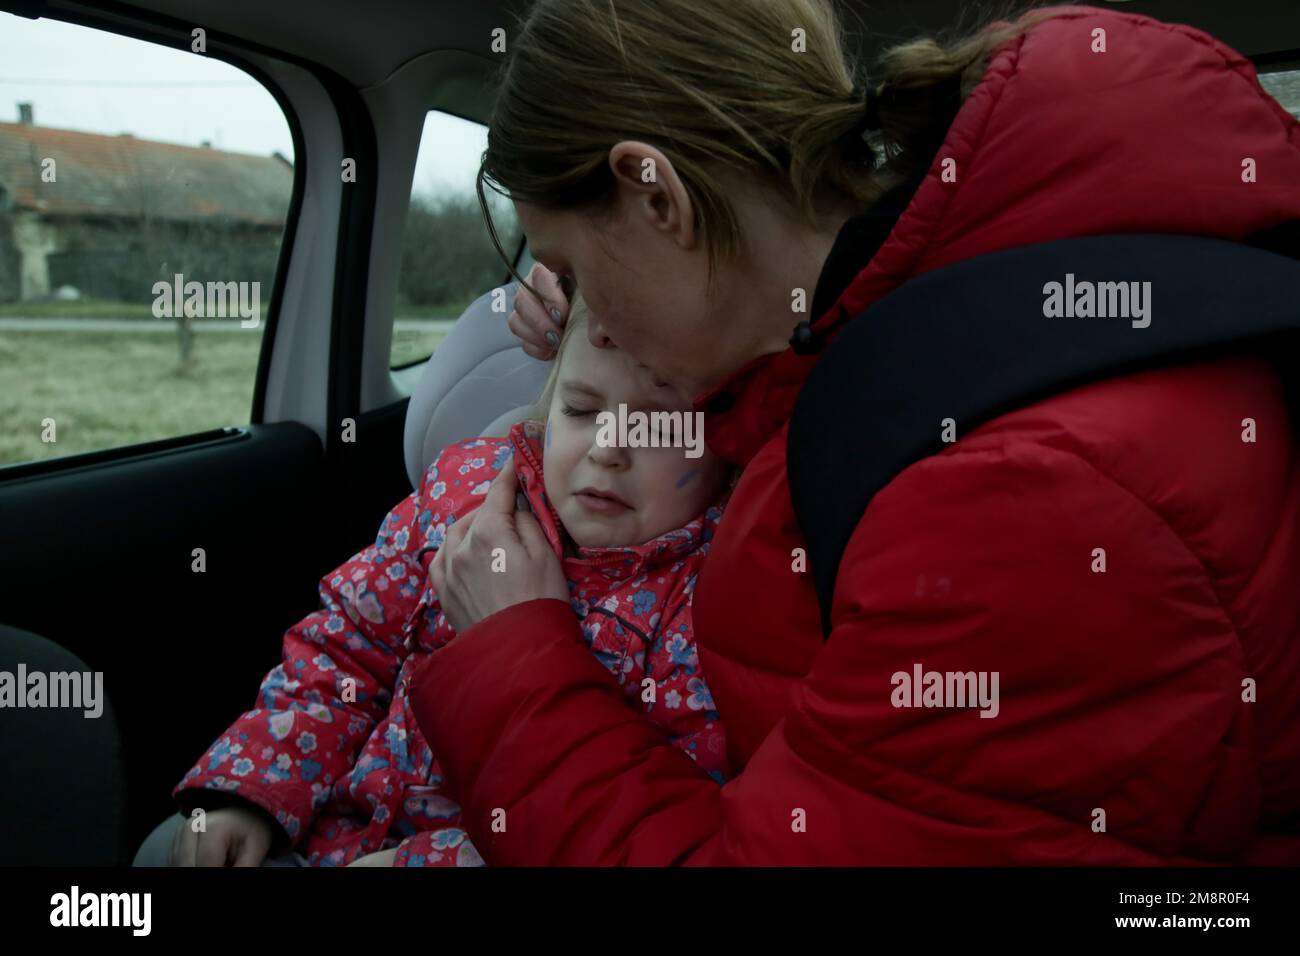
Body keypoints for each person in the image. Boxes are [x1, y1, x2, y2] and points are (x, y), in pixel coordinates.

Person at [407, 1, 1300, 864]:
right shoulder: (912, 327)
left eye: (571, 268)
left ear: (657, 197)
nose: (583, 319)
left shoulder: (1022, 496)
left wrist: (512, 650)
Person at [135, 296, 733, 867]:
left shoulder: (708, 602)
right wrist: (254, 792)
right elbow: (344, 650)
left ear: (726, 454)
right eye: (579, 410)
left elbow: (655, 808)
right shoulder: (460, 496)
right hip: (334, 830)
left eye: (657, 428)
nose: (607, 448)